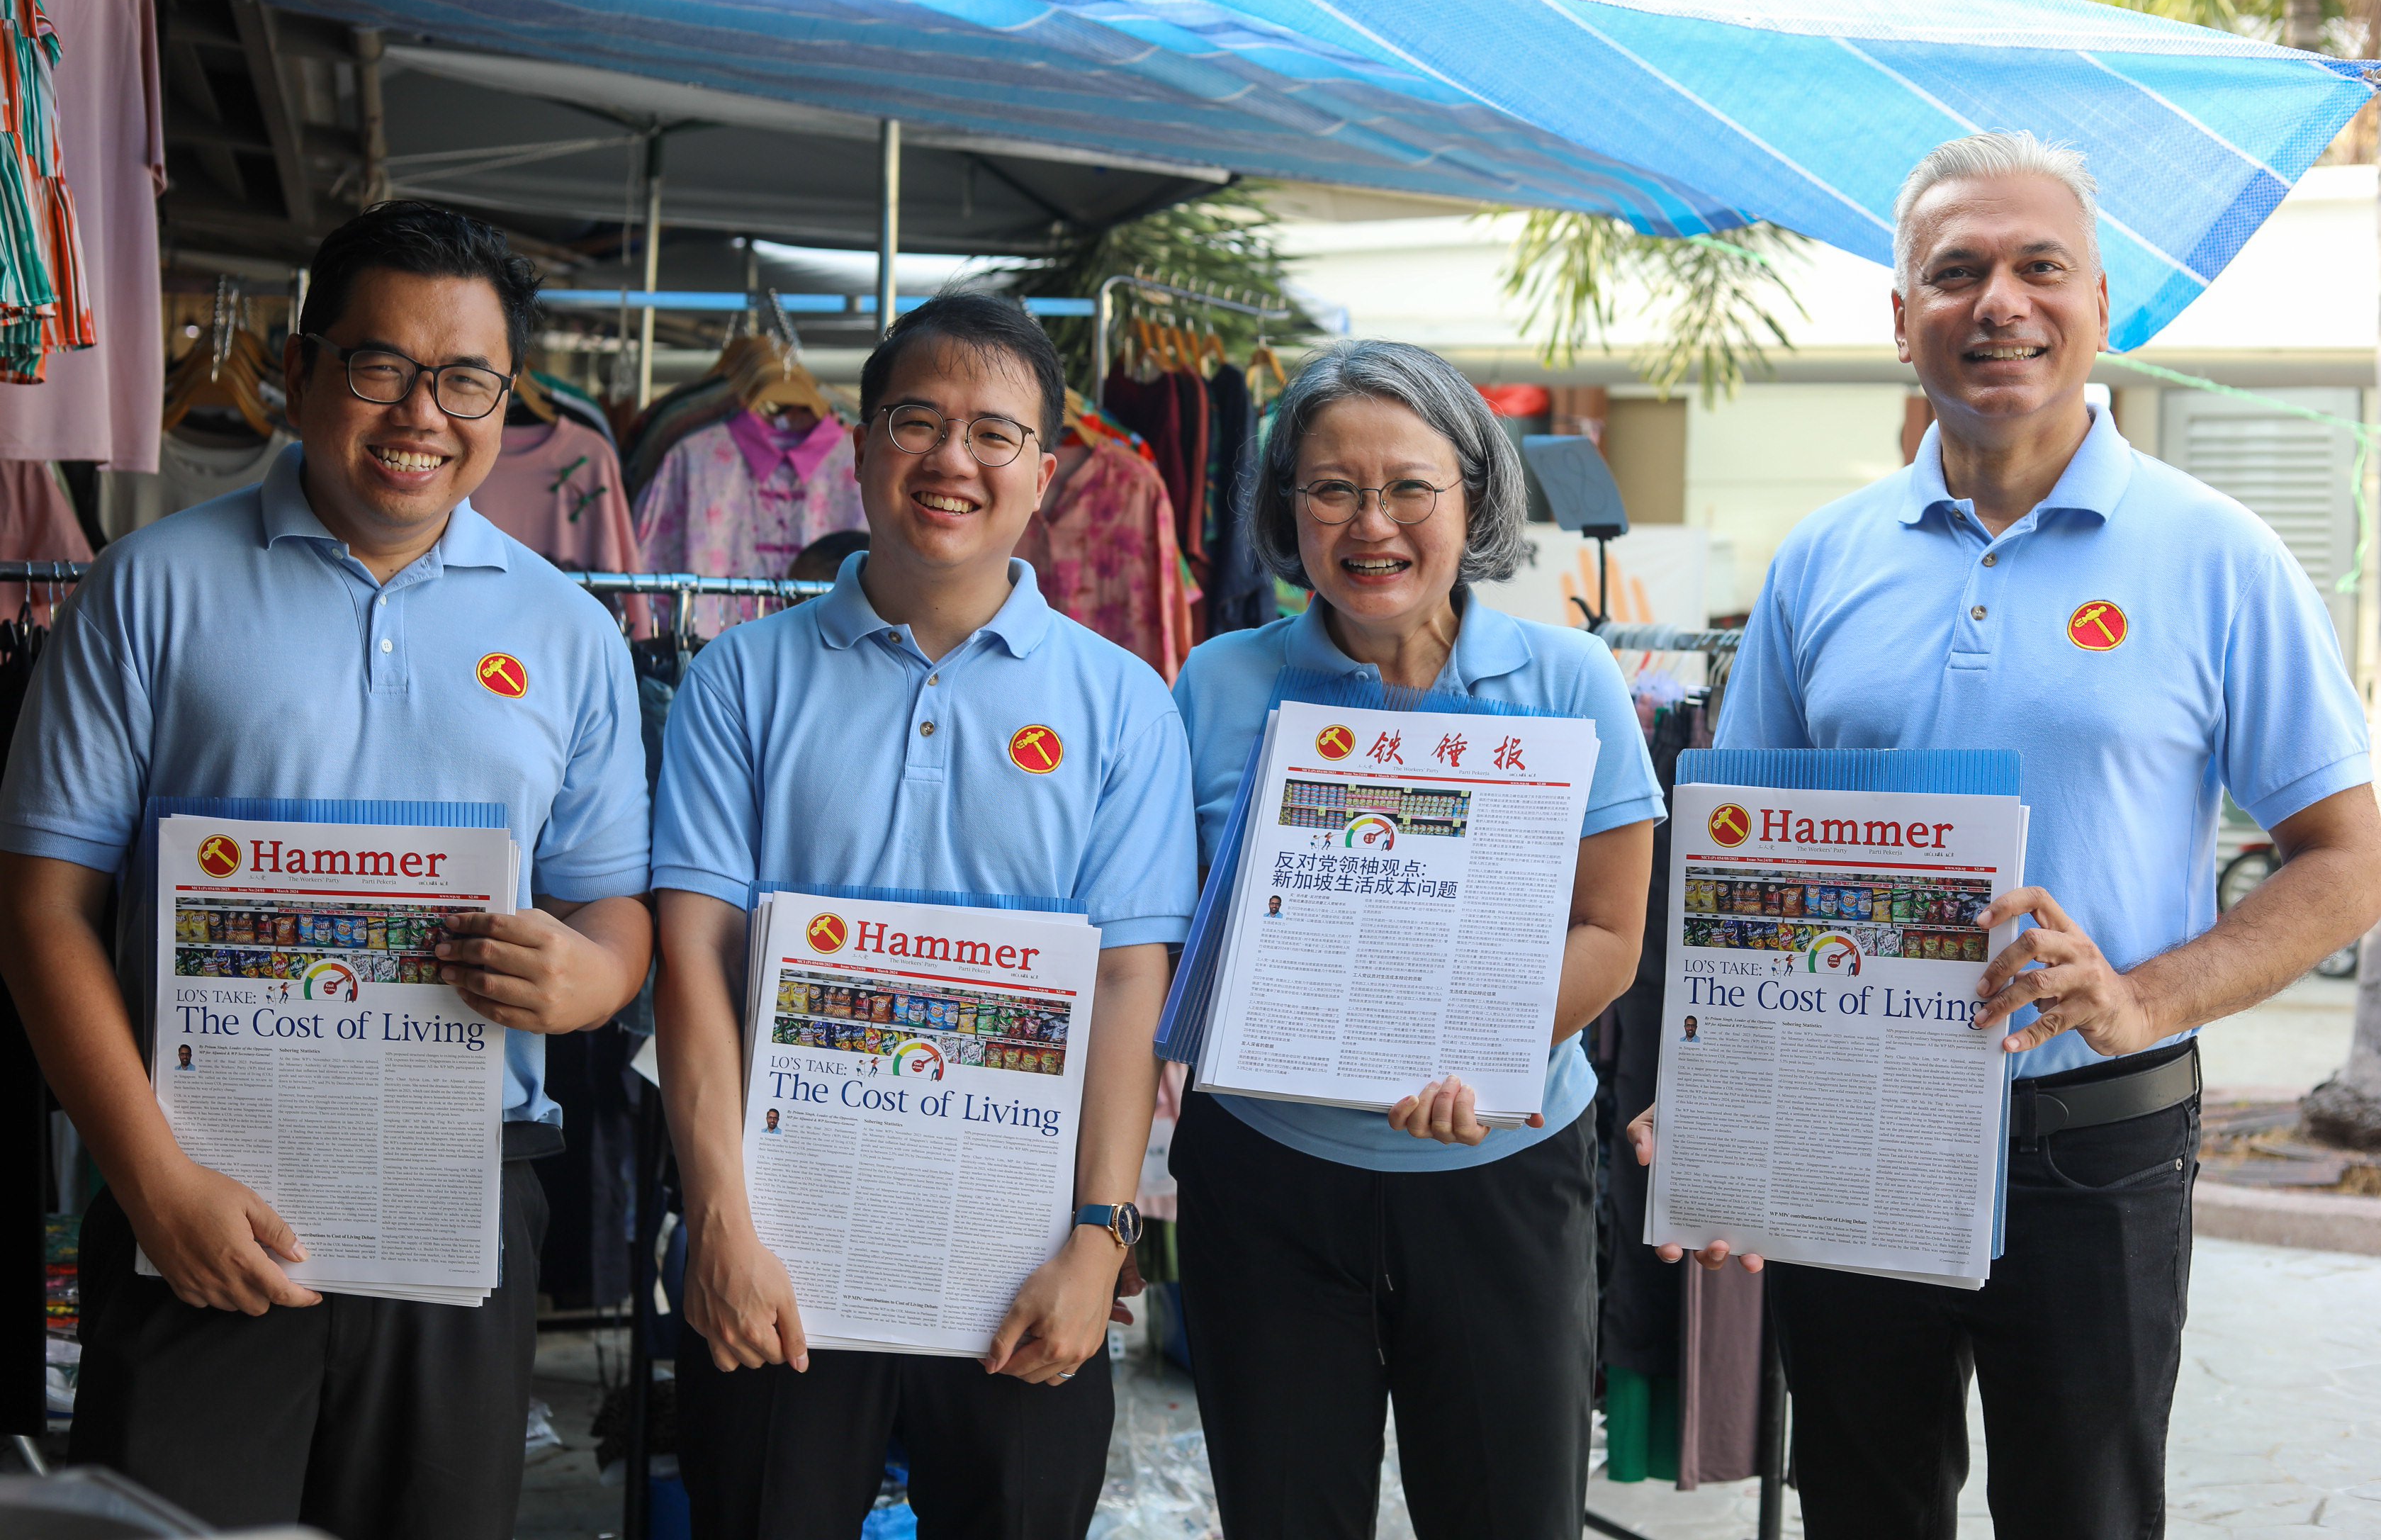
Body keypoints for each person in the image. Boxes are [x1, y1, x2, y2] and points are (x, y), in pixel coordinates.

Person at [1635, 131, 2381, 1539]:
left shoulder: (2216, 554)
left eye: (2041, 267)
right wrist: (1720, 1088)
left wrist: (2143, 993)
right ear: (1901, 314)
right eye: (1955, 270)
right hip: (1851, 1117)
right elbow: (1739, 860)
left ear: (2103, 302)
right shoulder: (1823, 560)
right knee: (1861, 1503)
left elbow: (2350, 856)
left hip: (2097, 1136)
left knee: (2084, 1511)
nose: (2000, 303)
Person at [0, 201, 654, 1539]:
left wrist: (591, 979)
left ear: (505, 399)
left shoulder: (570, 631)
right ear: (298, 375)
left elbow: (617, 912)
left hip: (462, 1198)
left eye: (465, 378)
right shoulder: (145, 588)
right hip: (198, 1201)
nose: (424, 411)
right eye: (379, 365)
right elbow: (41, 911)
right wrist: (151, 1185)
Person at [651, 292, 1198, 1539]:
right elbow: (695, 957)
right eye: (920, 421)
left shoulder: (1124, 705)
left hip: (1020, 1270)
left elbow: (1127, 985)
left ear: (1045, 474)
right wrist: (721, 1223)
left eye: (994, 434)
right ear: (860, 441)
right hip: (780, 1264)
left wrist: (1101, 1239)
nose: (954, 459)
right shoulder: (741, 676)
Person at [1169, 340, 1663, 1539]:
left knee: (1508, 1512)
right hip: (1266, 1180)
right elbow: (1174, 932)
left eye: (1408, 488)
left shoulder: (1568, 680)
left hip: (1501, 1171)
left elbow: (1611, 930)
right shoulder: (1217, 683)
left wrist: (1484, 1055)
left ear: (1475, 498)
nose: (1369, 522)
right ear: (1287, 507)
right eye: (1330, 487)